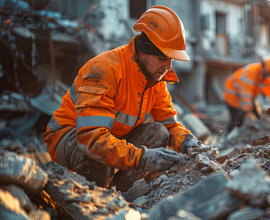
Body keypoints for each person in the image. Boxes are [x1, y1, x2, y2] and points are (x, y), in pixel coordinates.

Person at [42, 6, 204, 191]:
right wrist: (142, 158)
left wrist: (187, 142)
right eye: (163, 58)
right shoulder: (104, 70)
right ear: (144, 51)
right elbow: (92, 139)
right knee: (98, 155)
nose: (168, 67)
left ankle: (121, 194)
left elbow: (169, 124)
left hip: (108, 136)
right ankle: (98, 198)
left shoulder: (155, 79)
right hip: (69, 136)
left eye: (172, 59)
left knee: (159, 132)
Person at [223, 56, 270, 132]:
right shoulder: (250, 72)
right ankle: (229, 136)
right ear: (262, 67)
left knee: (257, 115)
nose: (268, 76)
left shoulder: (265, 75)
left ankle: (259, 128)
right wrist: (247, 111)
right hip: (232, 96)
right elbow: (245, 94)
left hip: (246, 96)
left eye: (269, 74)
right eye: (267, 73)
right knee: (237, 118)